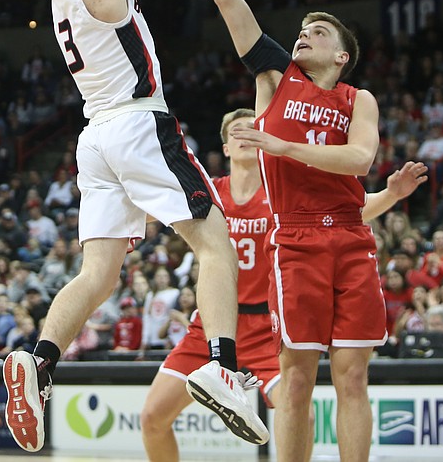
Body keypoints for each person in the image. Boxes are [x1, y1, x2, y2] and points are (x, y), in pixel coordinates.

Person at [3, 0, 267, 452]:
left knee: (99, 274)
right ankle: (225, 367)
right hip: (139, 125)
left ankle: (39, 360)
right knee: (216, 244)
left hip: (96, 143)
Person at [175, 0, 383, 462]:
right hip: (293, 238)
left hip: (350, 234)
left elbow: (359, 161)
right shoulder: (274, 79)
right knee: (295, 381)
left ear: (341, 55)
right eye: (302, 30)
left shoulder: (357, 99)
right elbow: (229, 1)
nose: (303, 35)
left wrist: (279, 145)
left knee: (353, 379)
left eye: (318, 33)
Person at [141, 108, 427, 462]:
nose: (245, 135)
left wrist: (391, 194)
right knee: (152, 417)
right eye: (237, 132)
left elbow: (351, 209)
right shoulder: (209, 193)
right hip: (214, 325)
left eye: (252, 130)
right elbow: (152, 210)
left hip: (268, 325)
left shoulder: (283, 191)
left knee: (302, 415)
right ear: (226, 148)